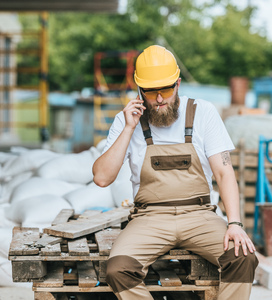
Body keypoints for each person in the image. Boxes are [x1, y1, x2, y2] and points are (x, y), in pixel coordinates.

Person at [92, 45, 258, 300]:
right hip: (150, 218)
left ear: (178, 83)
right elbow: (102, 178)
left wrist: (234, 223)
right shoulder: (126, 121)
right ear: (139, 90)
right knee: (118, 269)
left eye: (166, 90)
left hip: (199, 215)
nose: (159, 99)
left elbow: (224, 173)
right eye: (151, 92)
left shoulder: (203, 112)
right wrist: (128, 129)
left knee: (243, 257)